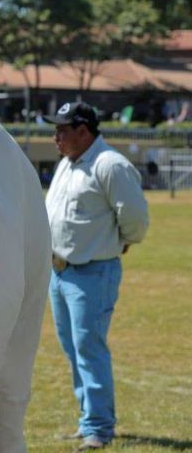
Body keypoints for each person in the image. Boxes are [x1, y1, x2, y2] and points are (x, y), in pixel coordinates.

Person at [44, 102, 149, 450]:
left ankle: (99, 427)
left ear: (83, 132)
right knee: (74, 349)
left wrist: (124, 241)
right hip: (59, 273)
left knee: (89, 349)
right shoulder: (67, 164)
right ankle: (89, 419)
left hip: (92, 272)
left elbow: (135, 218)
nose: (55, 136)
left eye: (62, 129)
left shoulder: (110, 165)